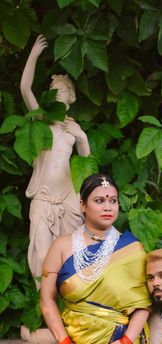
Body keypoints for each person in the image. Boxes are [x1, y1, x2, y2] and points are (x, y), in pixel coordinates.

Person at [40, 173, 151, 344]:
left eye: (113, 200)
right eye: (99, 200)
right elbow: (47, 301)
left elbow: (142, 305)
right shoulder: (61, 246)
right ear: (83, 205)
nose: (108, 206)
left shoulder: (132, 250)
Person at [20, 34, 90, 284]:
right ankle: (43, 306)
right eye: (52, 90)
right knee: (41, 254)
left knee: (70, 255)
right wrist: (34, 54)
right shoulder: (41, 121)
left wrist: (82, 138)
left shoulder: (75, 128)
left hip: (68, 197)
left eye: (60, 89)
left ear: (70, 97)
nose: (55, 93)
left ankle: (65, 310)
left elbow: (86, 166)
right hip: (44, 195)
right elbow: (25, 88)